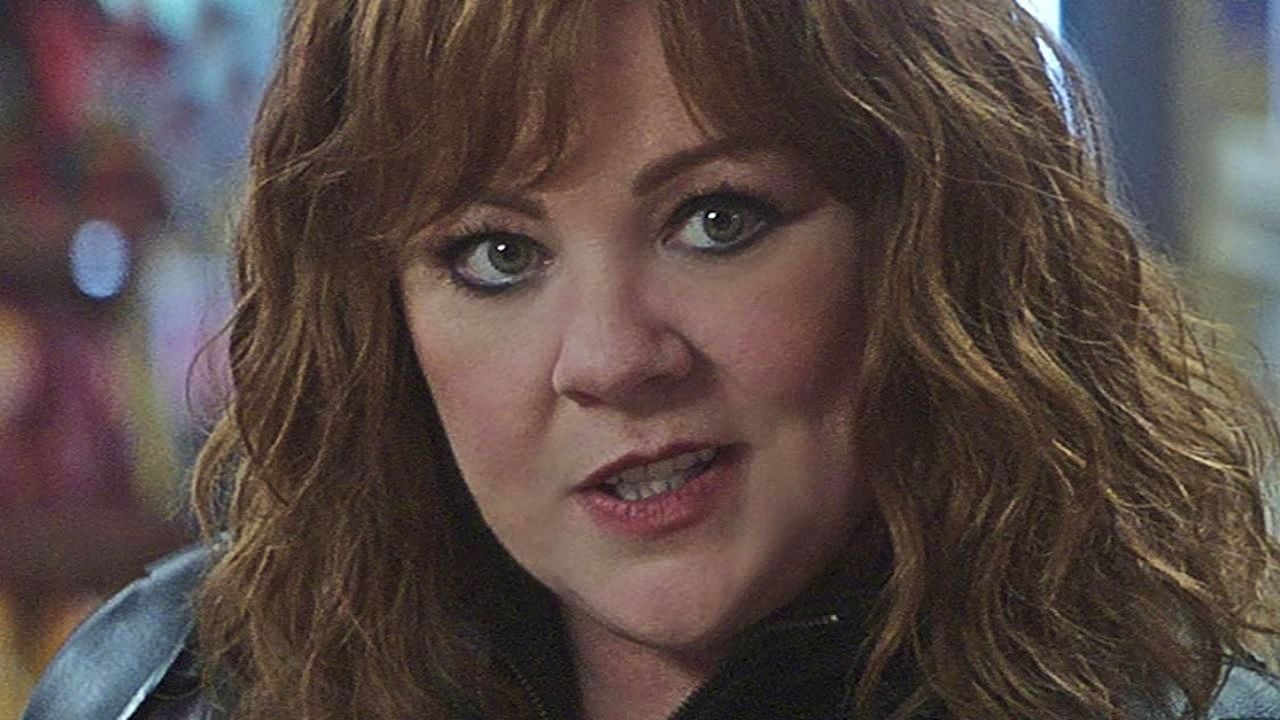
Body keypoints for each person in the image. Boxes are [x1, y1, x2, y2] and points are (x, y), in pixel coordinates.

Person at [23, 1, 1280, 719]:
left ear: (932, 252)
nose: (613, 359)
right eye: (496, 256)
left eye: (716, 219)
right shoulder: (168, 694)